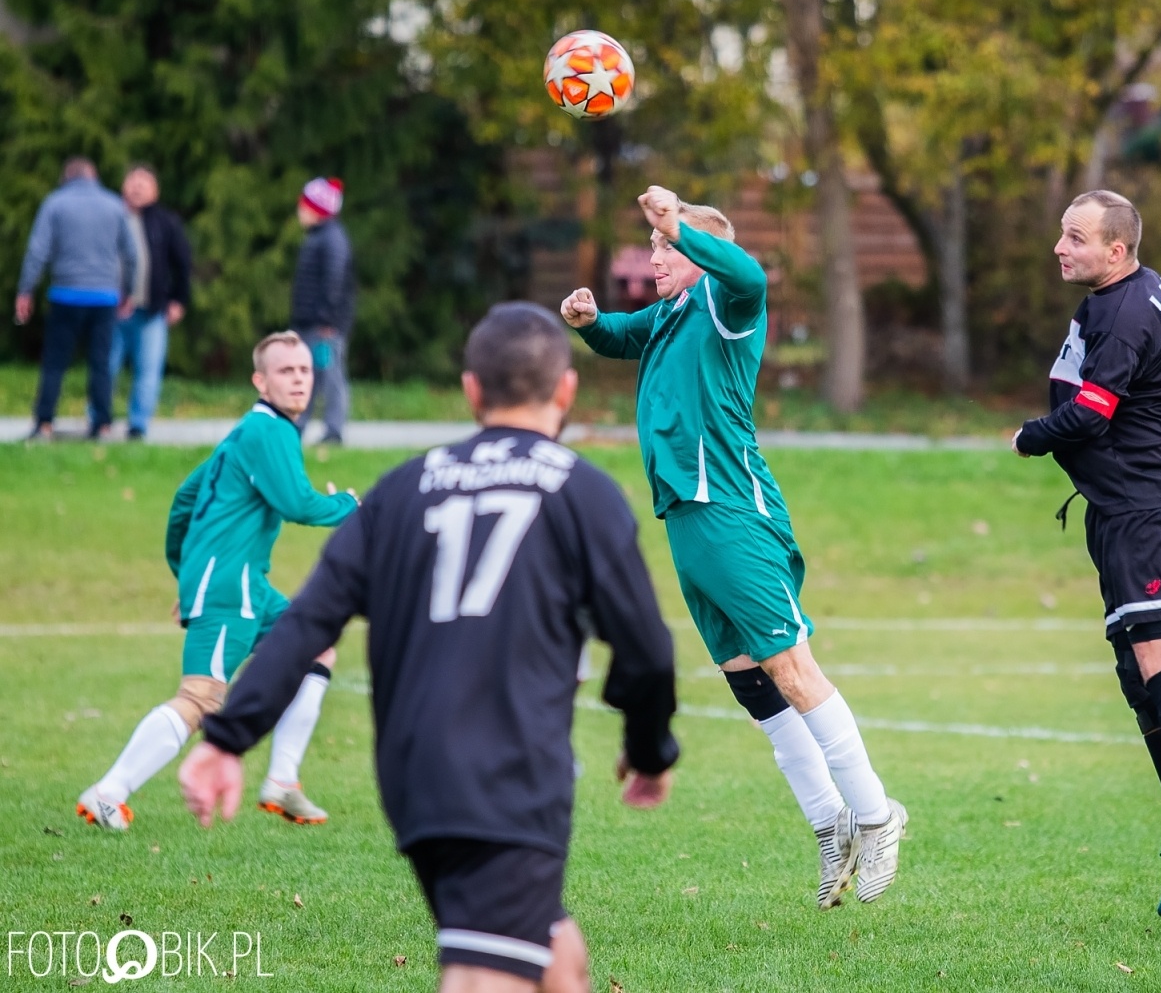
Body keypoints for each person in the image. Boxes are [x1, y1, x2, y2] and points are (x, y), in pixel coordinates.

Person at [179, 303, 680, 993]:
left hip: (415, 776)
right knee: (484, 974)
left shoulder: (401, 490)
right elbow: (648, 650)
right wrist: (651, 750)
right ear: (565, 391)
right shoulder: (581, 490)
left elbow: (308, 621)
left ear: (472, 391)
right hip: (508, 773)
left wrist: (228, 736)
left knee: (554, 955)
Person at [560, 186, 906, 911]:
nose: (655, 255)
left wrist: (680, 226)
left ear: (699, 254)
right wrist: (592, 324)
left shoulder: (725, 300)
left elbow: (750, 276)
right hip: (686, 518)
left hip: (731, 512)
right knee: (752, 682)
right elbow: (627, 337)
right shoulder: (673, 313)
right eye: (654, 245)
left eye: (665, 248)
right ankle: (829, 824)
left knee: (792, 667)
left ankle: (877, 814)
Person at [1009, 189, 1161, 917]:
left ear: (1115, 250)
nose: (1061, 246)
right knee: (1133, 671)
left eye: (1076, 237)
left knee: (1158, 656)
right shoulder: (1126, 292)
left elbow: (1092, 411)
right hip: (1120, 509)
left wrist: (1029, 434)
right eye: (1062, 233)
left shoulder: (1124, 310)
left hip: (1146, 508)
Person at [77, 331, 358, 831]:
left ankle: (283, 782)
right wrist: (350, 506)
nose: (298, 380)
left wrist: (187, 578)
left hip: (242, 584)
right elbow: (298, 503)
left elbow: (184, 501)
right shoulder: (270, 432)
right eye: (285, 371)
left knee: (318, 648)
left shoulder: (246, 432)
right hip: (233, 588)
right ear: (260, 380)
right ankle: (107, 792)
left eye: (304, 371)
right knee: (201, 698)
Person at [14, 157, 139, 441]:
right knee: (101, 363)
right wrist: (127, 292)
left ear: (66, 178)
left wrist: (25, 291)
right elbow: (131, 255)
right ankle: (103, 424)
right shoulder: (114, 205)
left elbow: (37, 251)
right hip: (105, 297)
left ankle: (44, 423)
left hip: (65, 295)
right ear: (93, 176)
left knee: (55, 362)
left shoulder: (55, 203)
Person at [111, 164, 192, 441]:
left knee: (148, 370)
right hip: (112, 308)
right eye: (133, 181)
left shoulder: (164, 222)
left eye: (144, 183)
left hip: (151, 310)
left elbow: (182, 263)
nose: (137, 187)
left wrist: (178, 300)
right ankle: (99, 419)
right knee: (106, 366)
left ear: (155, 191)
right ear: (123, 185)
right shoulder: (112, 215)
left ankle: (138, 425)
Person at [289, 176, 356, 445]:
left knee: (330, 375)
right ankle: (299, 426)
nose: (300, 212)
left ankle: (334, 430)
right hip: (309, 322)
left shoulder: (332, 240)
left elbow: (334, 282)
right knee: (306, 376)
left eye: (304, 206)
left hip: (324, 326)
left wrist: (327, 320)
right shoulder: (317, 238)